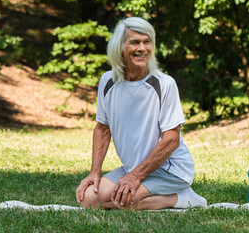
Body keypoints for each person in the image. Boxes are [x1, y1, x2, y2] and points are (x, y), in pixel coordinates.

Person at [75, 17, 206, 210]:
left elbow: (171, 139)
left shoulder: (164, 84)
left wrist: (135, 177)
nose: (142, 48)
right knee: (89, 199)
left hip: (171, 170)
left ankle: (183, 197)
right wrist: (95, 172)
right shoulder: (107, 81)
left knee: (128, 201)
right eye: (135, 42)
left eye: (147, 42)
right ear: (120, 47)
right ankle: (135, 192)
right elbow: (103, 129)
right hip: (133, 168)